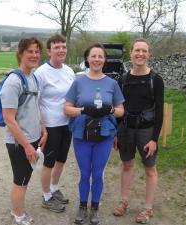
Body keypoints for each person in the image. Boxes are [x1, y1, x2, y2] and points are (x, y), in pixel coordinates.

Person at [64, 43, 125, 225]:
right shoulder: (78, 81)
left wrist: (111, 110)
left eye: (100, 56)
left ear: (104, 60)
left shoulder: (112, 84)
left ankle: (95, 208)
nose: (97, 59)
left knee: (97, 174)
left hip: (104, 136)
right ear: (87, 59)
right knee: (84, 173)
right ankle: (83, 206)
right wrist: (83, 110)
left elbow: (121, 110)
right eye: (93, 56)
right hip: (82, 135)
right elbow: (67, 108)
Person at [113, 38, 164, 224]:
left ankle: (147, 208)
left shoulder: (156, 80)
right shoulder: (123, 79)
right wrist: (116, 133)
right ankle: (124, 201)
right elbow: (118, 108)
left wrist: (154, 139)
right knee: (127, 165)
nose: (140, 54)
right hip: (126, 129)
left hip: (147, 131)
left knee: (150, 169)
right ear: (131, 53)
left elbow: (160, 112)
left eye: (144, 51)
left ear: (148, 54)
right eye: (137, 50)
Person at [0, 37, 47, 225]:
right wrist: (27, 145)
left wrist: (43, 128)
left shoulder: (33, 77)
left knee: (25, 178)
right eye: (30, 51)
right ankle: (18, 216)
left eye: (37, 52)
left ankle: (17, 210)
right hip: (19, 142)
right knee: (20, 180)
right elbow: (9, 119)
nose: (34, 55)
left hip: (32, 139)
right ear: (20, 53)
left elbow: (36, 105)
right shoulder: (13, 82)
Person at [34, 34, 75, 213]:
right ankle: (46, 196)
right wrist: (43, 128)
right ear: (49, 51)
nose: (61, 50)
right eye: (57, 47)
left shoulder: (69, 71)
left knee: (61, 160)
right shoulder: (41, 73)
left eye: (64, 47)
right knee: (49, 162)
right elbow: (36, 103)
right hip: (50, 125)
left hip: (67, 123)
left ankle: (54, 188)